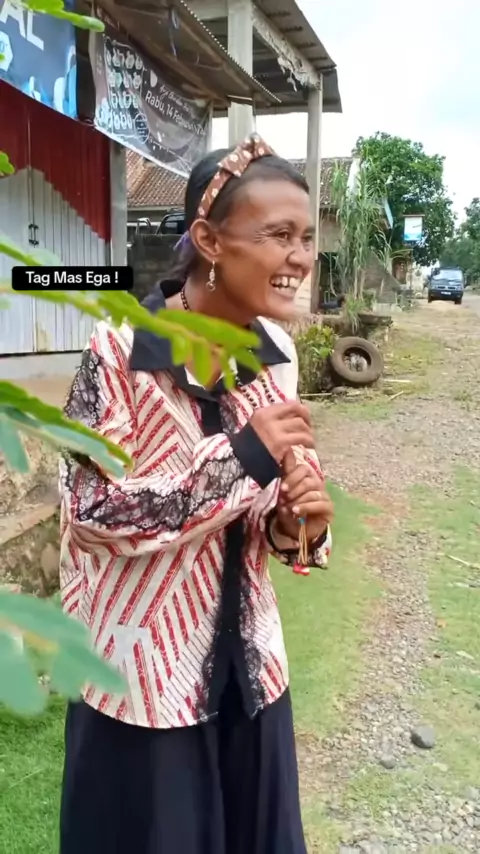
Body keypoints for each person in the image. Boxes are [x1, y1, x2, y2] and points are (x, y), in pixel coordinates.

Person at [58, 134, 334, 854]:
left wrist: (296, 522)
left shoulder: (276, 359)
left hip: (252, 680)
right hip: (141, 687)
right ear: (209, 241)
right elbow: (91, 513)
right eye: (279, 235)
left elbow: (273, 526)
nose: (301, 257)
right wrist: (242, 459)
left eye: (306, 237)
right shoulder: (119, 350)